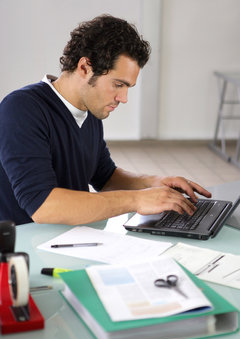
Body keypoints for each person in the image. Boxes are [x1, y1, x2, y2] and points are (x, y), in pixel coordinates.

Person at [0, 14, 211, 226]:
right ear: (84, 67)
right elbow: (43, 206)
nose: (124, 98)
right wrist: (137, 199)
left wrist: (153, 183)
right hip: (24, 248)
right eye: (118, 84)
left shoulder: (89, 112)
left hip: (69, 239)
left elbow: (106, 177)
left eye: (128, 87)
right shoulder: (21, 110)